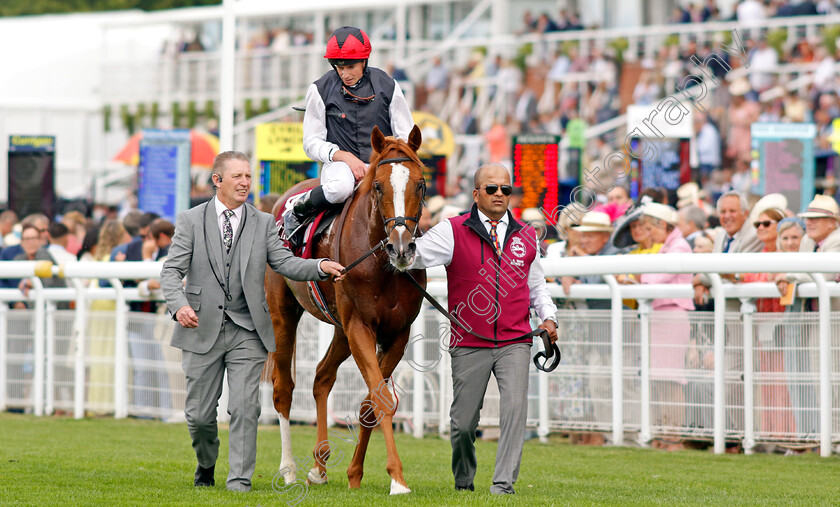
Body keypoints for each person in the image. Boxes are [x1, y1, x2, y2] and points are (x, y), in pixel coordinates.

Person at [160, 151, 344, 492]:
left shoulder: (263, 223)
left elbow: (285, 263)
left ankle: (239, 480)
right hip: (198, 326)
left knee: (245, 407)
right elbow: (171, 272)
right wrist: (179, 306)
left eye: (248, 176)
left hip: (248, 330)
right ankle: (206, 461)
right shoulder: (190, 220)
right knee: (199, 416)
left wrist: (319, 267)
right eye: (237, 176)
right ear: (217, 180)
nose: (245, 182)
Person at [407, 163, 558, 495]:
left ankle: (503, 485)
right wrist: (397, 242)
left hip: (516, 340)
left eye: (506, 189)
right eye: (492, 189)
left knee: (515, 412)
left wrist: (549, 317)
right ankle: (464, 479)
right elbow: (412, 257)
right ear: (476, 194)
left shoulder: (527, 236)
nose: (500, 195)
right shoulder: (451, 230)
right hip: (468, 342)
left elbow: (537, 287)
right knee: (462, 425)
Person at [284, 26, 413, 243]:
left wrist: (383, 162)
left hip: (382, 163)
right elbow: (311, 142)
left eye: (350, 67)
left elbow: (406, 135)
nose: (345, 74)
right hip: (340, 166)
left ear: (364, 61)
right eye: (339, 67)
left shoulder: (388, 85)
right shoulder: (320, 89)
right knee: (340, 188)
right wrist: (344, 156)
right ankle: (298, 208)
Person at [638, 203, 694, 449]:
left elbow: (655, 278)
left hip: (672, 317)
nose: (648, 234)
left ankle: (673, 436)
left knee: (671, 381)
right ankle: (662, 432)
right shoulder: (668, 247)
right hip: (660, 316)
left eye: (650, 228)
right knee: (659, 381)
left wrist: (636, 277)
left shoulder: (679, 247)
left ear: (662, 225)